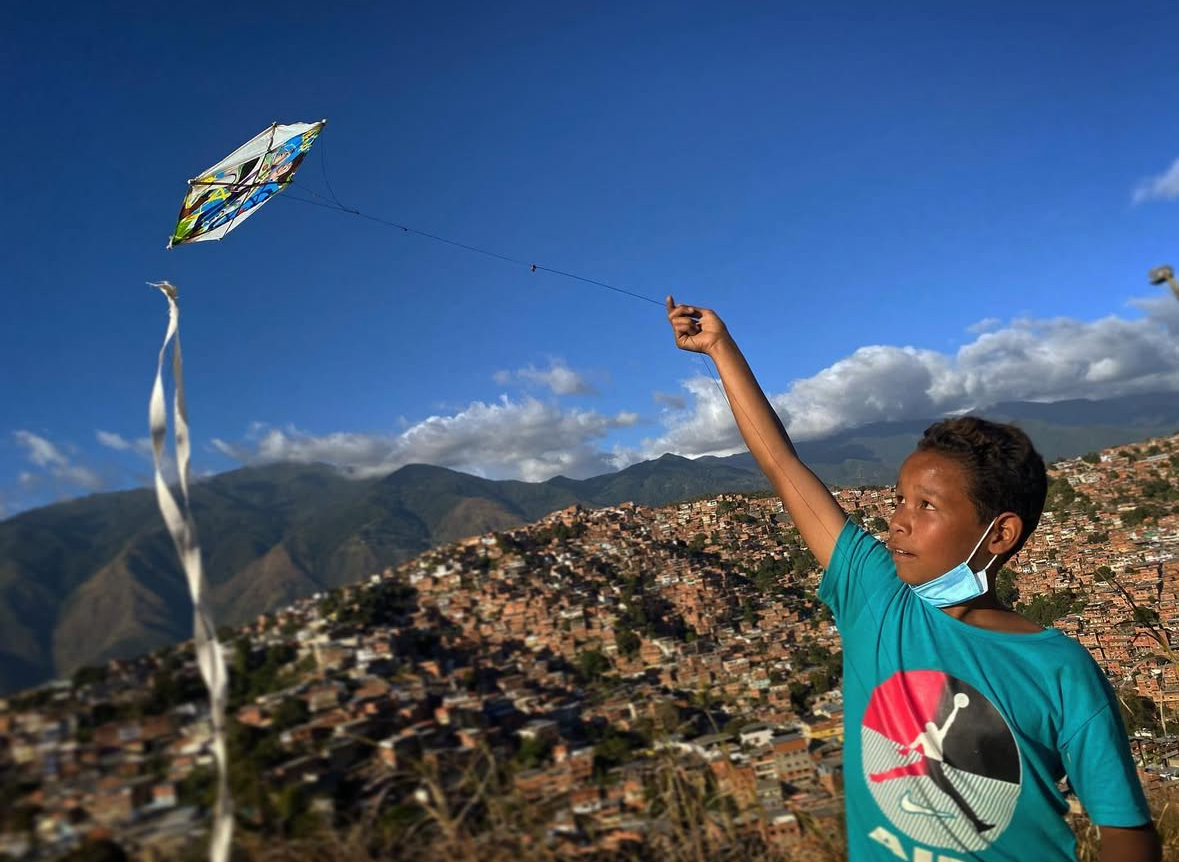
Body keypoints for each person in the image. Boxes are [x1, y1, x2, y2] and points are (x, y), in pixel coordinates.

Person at [666, 297, 1160, 862]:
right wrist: (719, 349)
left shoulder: (1060, 670)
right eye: (899, 498)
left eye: (926, 505)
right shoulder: (874, 596)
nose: (897, 518)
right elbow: (782, 464)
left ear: (998, 536)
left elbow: (1125, 829)